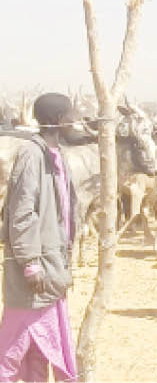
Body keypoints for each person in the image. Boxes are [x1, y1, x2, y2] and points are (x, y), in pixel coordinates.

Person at [0, 93, 78, 382]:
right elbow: (22, 213)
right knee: (11, 350)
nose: (77, 118)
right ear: (59, 121)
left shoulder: (55, 154)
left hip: (52, 267)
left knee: (39, 350)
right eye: (73, 113)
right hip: (35, 271)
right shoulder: (32, 155)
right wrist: (30, 263)